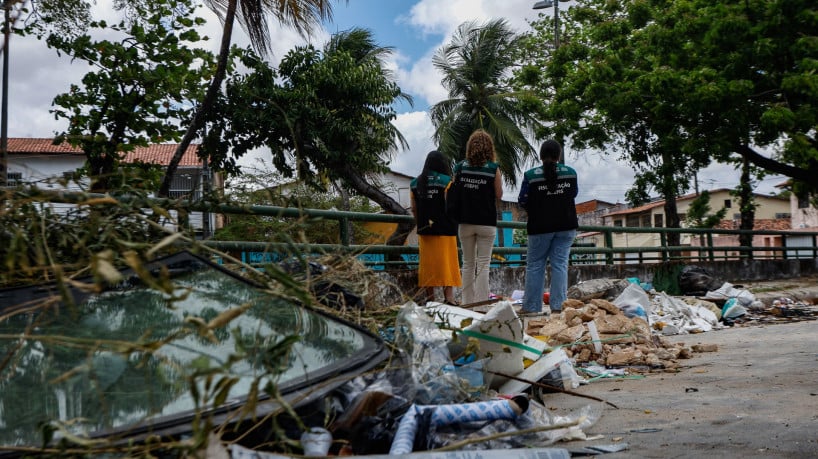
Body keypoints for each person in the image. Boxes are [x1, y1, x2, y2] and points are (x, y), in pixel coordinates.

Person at [518, 139, 578, 314]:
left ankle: (531, 307)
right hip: (566, 226)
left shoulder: (531, 175)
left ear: (541, 155)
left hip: (539, 227)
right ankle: (558, 306)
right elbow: (573, 194)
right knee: (560, 264)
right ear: (558, 156)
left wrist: (536, 209)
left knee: (535, 265)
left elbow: (522, 200)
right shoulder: (571, 173)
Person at [449, 129, 503, 305]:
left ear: (470, 147)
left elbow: (453, 191)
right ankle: (481, 305)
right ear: (489, 148)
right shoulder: (493, 169)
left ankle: (467, 303)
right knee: (483, 264)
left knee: (468, 264)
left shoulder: (460, 168)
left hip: (465, 221)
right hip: (486, 222)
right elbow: (499, 194)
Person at [410, 151, 462, 305]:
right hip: (445, 229)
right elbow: (451, 206)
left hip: (425, 230)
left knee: (428, 265)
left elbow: (414, 208)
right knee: (447, 262)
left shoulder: (415, 183)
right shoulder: (447, 181)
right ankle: (449, 298)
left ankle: (430, 299)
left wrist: (420, 222)